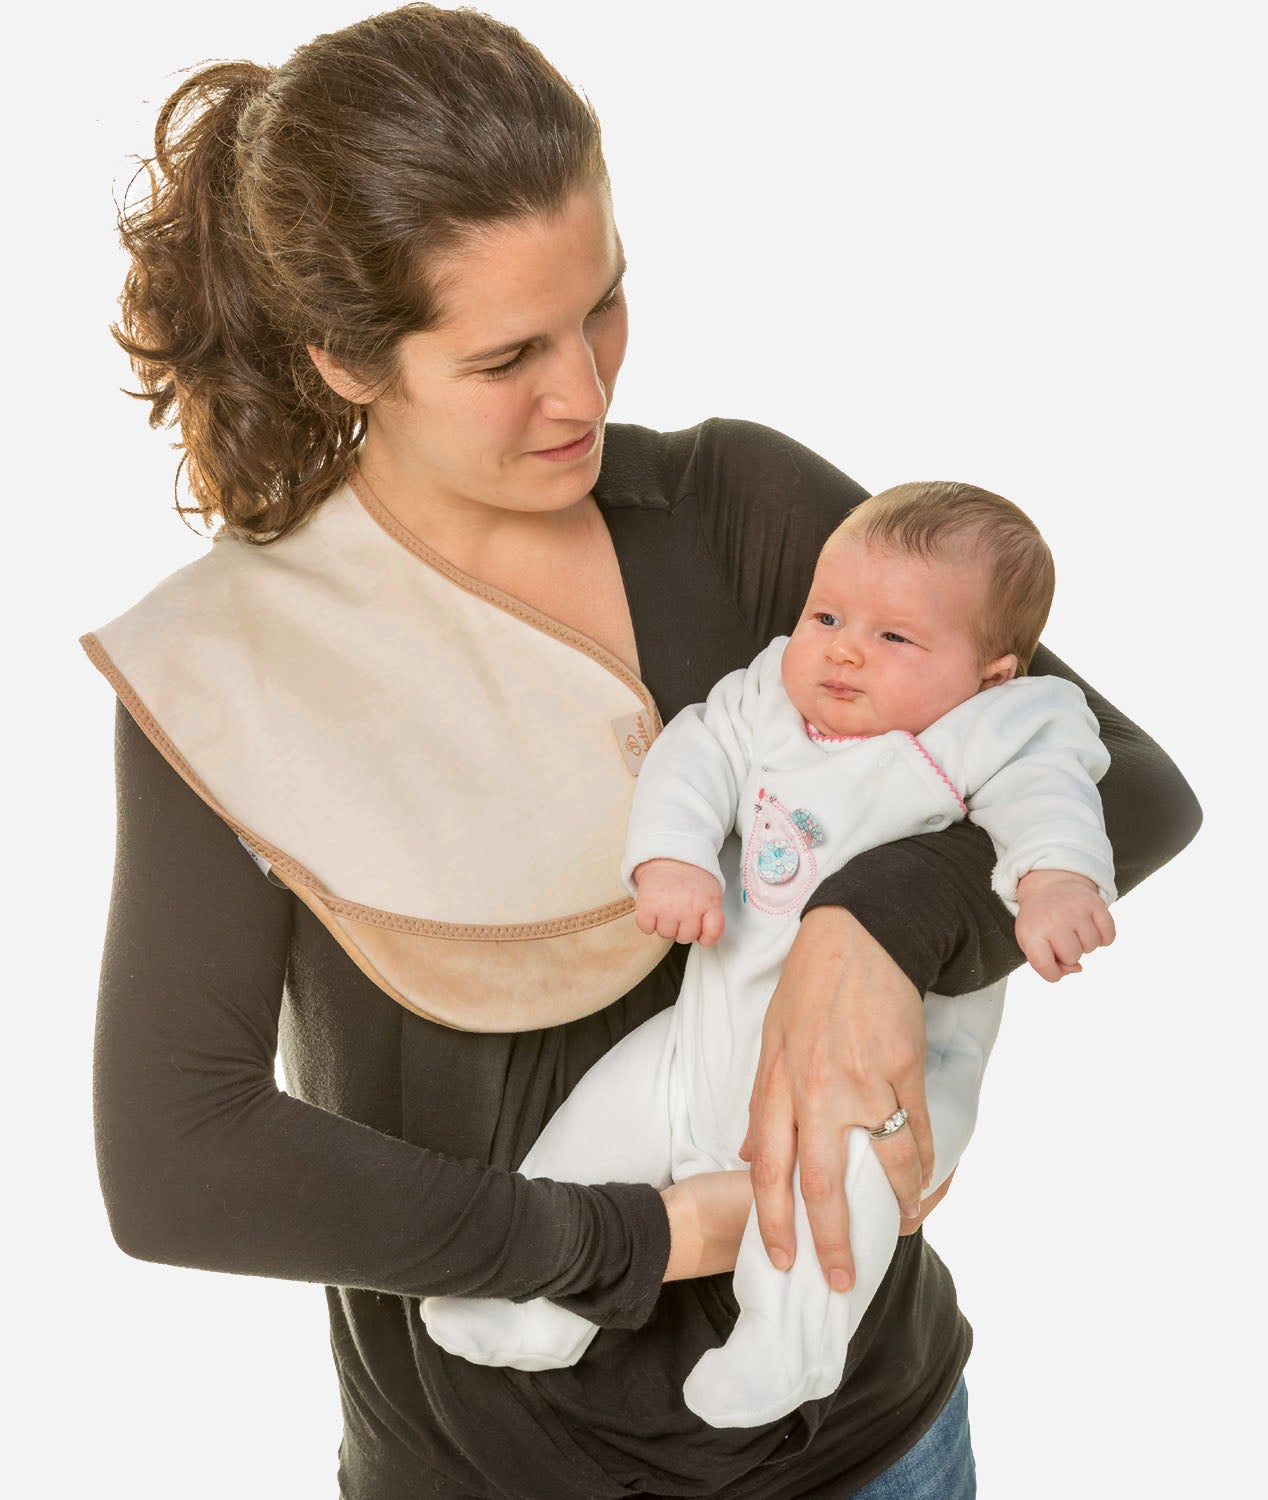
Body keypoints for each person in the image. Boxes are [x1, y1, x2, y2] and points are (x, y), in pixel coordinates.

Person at [85, 8, 1200, 1497]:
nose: (587, 391)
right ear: (351, 364)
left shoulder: (732, 505)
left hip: (875, 1448)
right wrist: (660, 1233)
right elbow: (178, 1159)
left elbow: (1130, 782)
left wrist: (874, 931)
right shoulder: (229, 669)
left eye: (604, 306)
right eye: (507, 357)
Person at [421, 481, 1116, 1429]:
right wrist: (673, 855)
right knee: (599, 1124)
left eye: (893, 638)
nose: (840, 646)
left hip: (870, 1088)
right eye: (826, 614)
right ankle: (537, 1302)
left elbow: (1055, 800)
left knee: (843, 1194)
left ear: (991, 674)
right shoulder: (767, 700)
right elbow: (693, 754)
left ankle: (788, 1349)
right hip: (703, 1040)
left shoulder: (998, 730)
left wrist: (1057, 882)